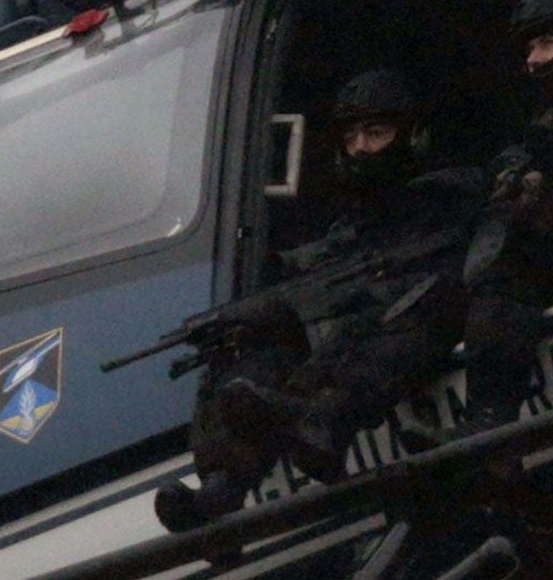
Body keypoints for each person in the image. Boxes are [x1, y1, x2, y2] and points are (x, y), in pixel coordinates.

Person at [156, 68, 483, 532]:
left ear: (414, 136)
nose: (361, 148)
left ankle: (322, 423)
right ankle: (222, 491)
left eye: (376, 132)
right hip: (347, 356)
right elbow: (322, 278)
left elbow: (422, 279)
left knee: (373, 322)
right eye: (351, 135)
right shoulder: (352, 220)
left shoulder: (449, 194)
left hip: (413, 331)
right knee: (243, 348)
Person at [459, 0, 553, 431]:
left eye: (548, 42)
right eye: (530, 47)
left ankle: (488, 424)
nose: (534, 59)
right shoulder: (544, 130)